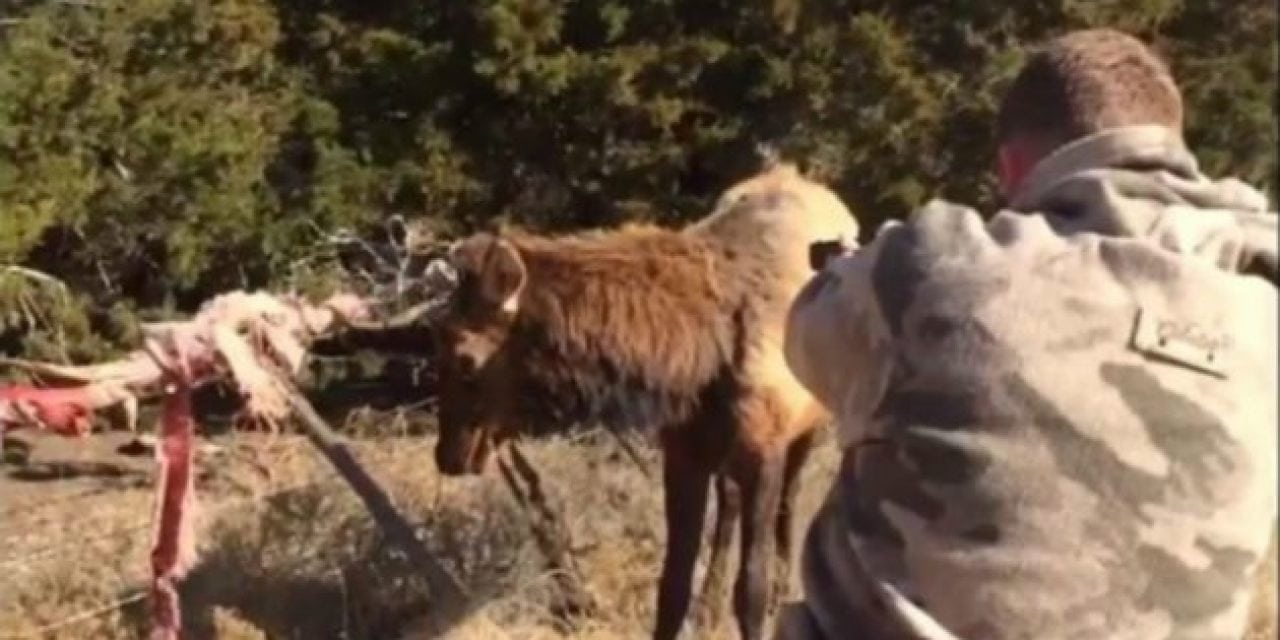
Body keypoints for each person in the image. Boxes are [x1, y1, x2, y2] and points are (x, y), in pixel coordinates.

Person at [775, 28, 1277, 640]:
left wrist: (871, 264)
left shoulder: (932, 266)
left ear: (1013, 167)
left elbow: (805, 340)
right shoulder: (1261, 304)